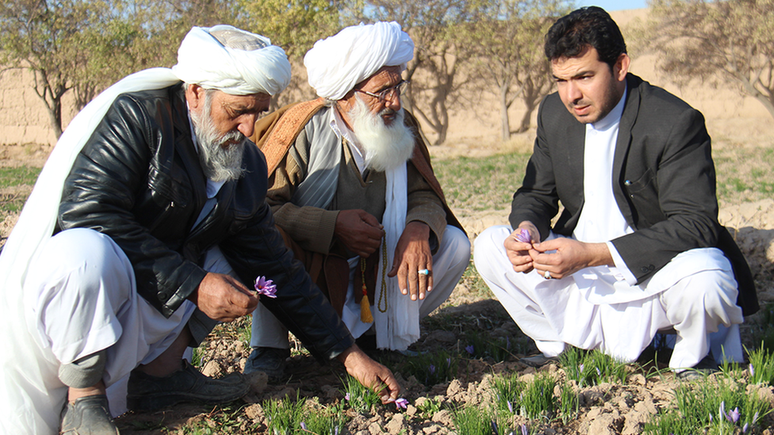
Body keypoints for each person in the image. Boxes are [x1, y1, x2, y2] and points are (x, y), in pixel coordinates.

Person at [0, 25, 399, 435]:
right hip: (80, 308)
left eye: (258, 111)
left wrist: (348, 355)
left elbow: (276, 267)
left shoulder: (244, 164)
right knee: (83, 253)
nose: (248, 128)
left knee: (240, 258)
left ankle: (160, 377)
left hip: (146, 304)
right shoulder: (139, 119)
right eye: (237, 111)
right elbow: (86, 212)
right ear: (195, 93)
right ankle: (84, 398)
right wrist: (194, 284)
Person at [473, 7, 758, 376]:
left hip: (652, 273)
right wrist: (527, 229)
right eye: (560, 80)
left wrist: (593, 254)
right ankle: (564, 347)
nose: (571, 94)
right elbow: (535, 193)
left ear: (620, 66)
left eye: (584, 76)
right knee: (490, 246)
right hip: (578, 271)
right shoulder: (554, 113)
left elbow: (695, 224)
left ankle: (691, 358)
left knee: (708, 275)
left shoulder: (673, 122)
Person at [246, 21, 470, 378]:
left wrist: (417, 229)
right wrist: (331, 226)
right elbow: (261, 209)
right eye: (382, 91)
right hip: (312, 266)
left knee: (455, 245)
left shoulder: (400, 124)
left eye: (398, 87)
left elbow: (425, 193)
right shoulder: (302, 129)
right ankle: (269, 347)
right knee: (266, 242)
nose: (394, 101)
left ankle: (375, 337)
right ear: (346, 95)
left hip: (375, 268)